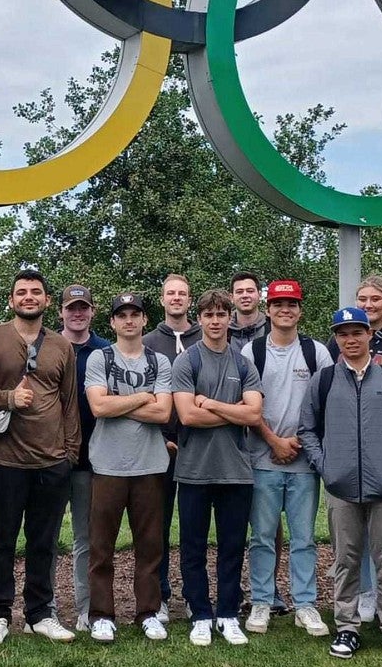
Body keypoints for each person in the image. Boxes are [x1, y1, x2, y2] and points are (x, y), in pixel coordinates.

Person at [299, 306, 382, 661]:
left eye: (356, 332)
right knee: (346, 559)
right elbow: (307, 429)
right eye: (343, 334)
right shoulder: (323, 380)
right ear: (336, 339)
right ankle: (347, 627)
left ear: (369, 334)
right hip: (341, 486)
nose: (350, 340)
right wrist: (325, 466)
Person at [0, 270, 81, 645]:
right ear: (10, 300)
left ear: (47, 301)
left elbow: (69, 402)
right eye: (21, 292)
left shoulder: (61, 346)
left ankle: (40, 612)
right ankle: (0, 615)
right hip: (5, 459)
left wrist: (70, 453)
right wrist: (8, 398)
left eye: (36, 292)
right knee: (3, 541)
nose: (29, 297)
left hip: (52, 460)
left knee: (44, 541)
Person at [172, 288, 264, 647]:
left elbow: (254, 413)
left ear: (229, 319)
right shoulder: (187, 361)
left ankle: (227, 614)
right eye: (208, 315)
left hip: (236, 471)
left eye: (221, 315)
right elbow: (187, 415)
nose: (215, 321)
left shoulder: (243, 363)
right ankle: (199, 614)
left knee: (231, 546)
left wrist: (210, 402)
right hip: (194, 469)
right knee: (192, 546)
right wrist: (231, 410)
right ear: (200, 319)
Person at [243, 279, 332, 637]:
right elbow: (247, 406)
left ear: (300, 310)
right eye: (279, 304)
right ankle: (262, 600)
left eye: (291, 304)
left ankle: (306, 604)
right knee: (262, 536)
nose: (285, 310)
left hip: (303, 461)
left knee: (304, 537)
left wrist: (295, 441)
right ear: (268, 309)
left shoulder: (317, 352)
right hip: (262, 459)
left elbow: (325, 405)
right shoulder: (253, 352)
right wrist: (273, 440)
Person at [83, 293, 174, 642]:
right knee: (101, 546)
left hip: (150, 464)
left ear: (144, 320)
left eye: (135, 314)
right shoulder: (100, 358)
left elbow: (163, 413)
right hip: (107, 463)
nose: (129, 321)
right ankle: (102, 615)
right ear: (113, 323)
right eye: (122, 315)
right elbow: (98, 408)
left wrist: (116, 402)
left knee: (150, 545)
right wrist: (142, 398)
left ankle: (148, 612)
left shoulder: (159, 361)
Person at [327, 274, 382, 622]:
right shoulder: (336, 348)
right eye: (362, 298)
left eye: (375, 299)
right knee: (351, 541)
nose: (368, 304)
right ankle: (363, 596)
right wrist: (326, 463)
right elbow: (318, 417)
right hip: (345, 464)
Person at [142, 273, 199, 622]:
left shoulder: (204, 338)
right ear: (162, 300)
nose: (176, 298)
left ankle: (193, 594)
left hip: (198, 447)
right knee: (156, 526)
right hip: (158, 446)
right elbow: (141, 395)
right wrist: (158, 436)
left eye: (182, 294)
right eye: (170, 294)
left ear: (189, 300)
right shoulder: (148, 342)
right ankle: (159, 594)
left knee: (193, 525)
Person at [59, 283, 112, 630]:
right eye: (71, 308)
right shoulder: (48, 346)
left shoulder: (105, 351)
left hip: (91, 458)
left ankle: (85, 609)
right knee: (44, 538)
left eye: (83, 307)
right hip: (49, 454)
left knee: (85, 538)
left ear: (92, 311)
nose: (77, 313)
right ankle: (43, 608)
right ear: (61, 312)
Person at [228, 271, 268, 351]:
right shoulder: (223, 331)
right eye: (239, 292)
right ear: (231, 297)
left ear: (259, 295)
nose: (245, 295)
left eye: (250, 291)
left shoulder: (272, 329)